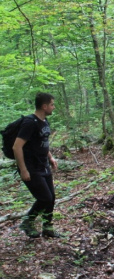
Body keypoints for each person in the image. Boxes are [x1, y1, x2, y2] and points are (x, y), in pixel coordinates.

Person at [13, 92, 60, 238]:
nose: (53, 107)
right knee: (44, 198)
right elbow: (17, 147)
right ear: (44, 106)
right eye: (52, 104)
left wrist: (51, 158)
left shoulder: (45, 122)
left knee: (51, 198)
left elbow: (43, 143)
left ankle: (47, 227)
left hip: (43, 165)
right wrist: (23, 169)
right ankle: (27, 222)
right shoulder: (29, 122)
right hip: (31, 168)